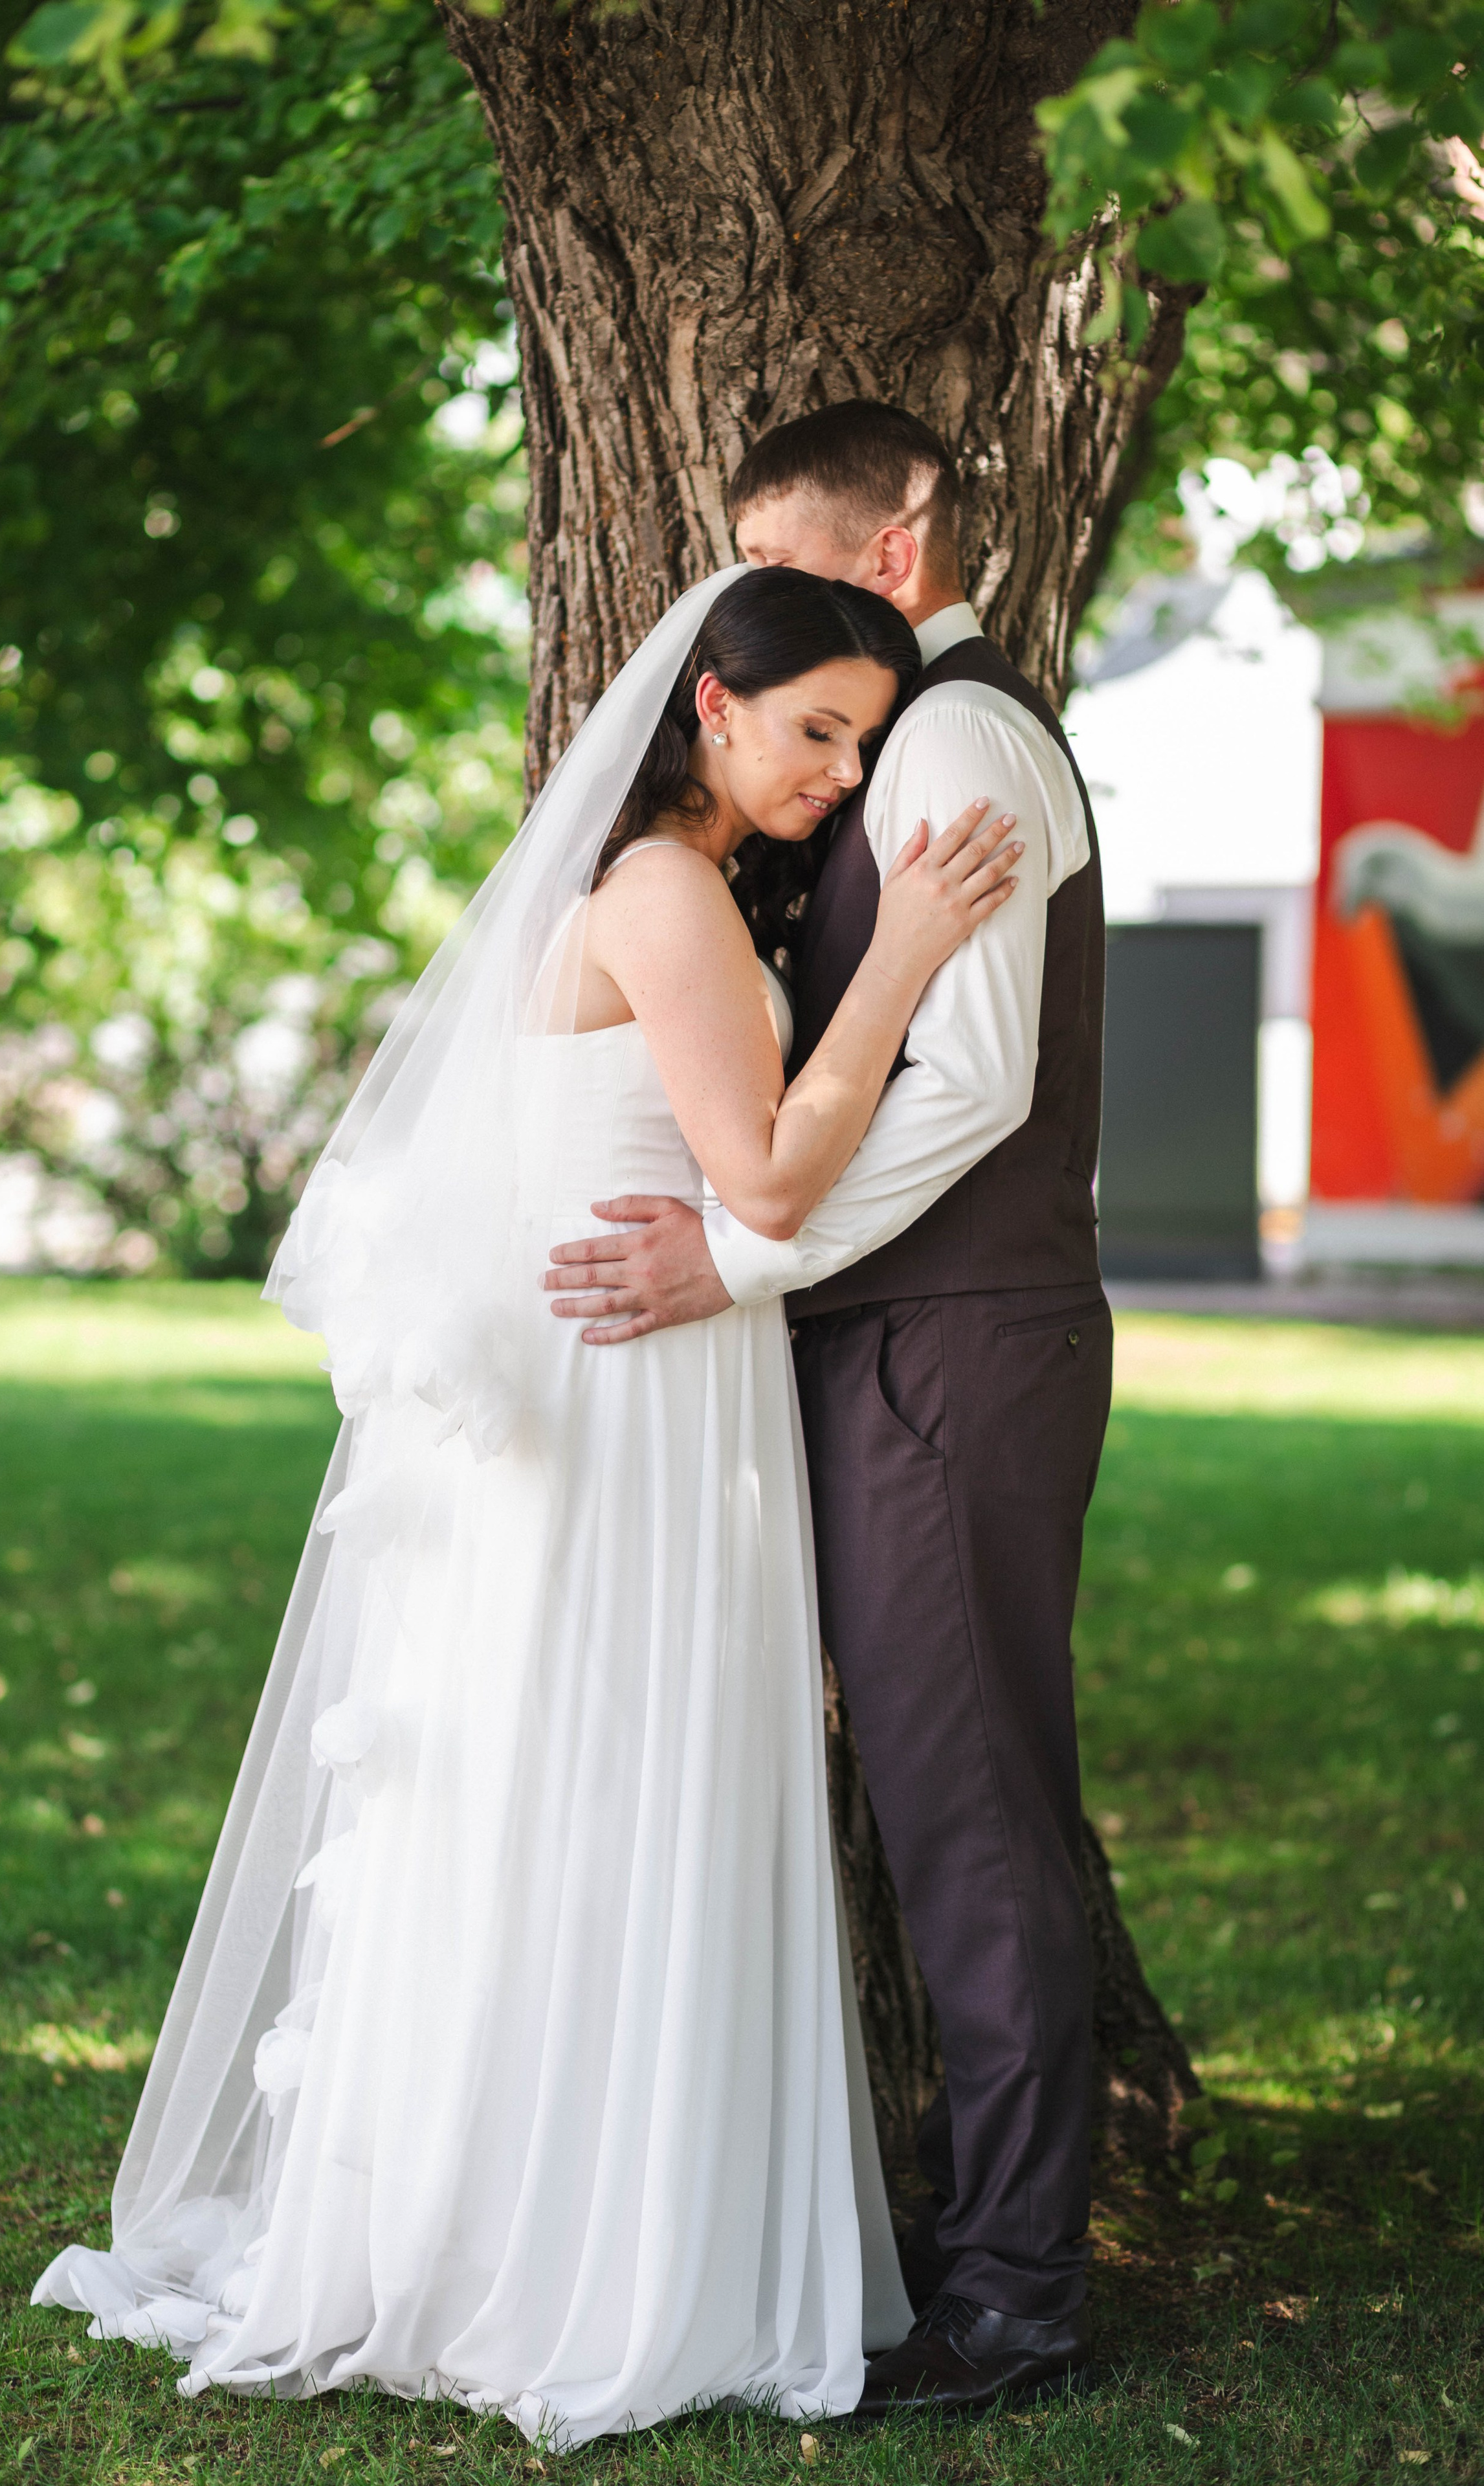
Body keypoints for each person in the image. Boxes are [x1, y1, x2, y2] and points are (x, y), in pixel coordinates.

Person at [30, 565, 1023, 2446]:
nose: (842, 772)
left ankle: (584, 2217)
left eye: (868, 742)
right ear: (712, 709)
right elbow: (775, 1179)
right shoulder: (662, 889)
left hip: (647, 1381)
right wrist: (906, 961)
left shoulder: (687, 885)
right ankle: (561, 2249)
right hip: (625, 1402)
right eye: (816, 728)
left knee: (601, 1786)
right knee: (604, 1785)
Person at [545, 402, 1110, 2419]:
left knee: (971, 1816)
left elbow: (970, 1081)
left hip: (949, 1335)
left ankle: (1020, 2292)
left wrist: (737, 1257)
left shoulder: (954, 743)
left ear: (911, 538)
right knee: (947, 1800)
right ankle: (982, 2238)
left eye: (822, 555)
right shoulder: (884, 751)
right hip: (890, 1334)